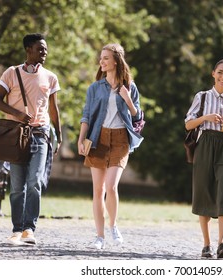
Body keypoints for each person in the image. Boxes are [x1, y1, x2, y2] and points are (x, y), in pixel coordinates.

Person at [0, 33, 62, 245]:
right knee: (17, 186)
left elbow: (53, 108)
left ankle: (29, 230)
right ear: (28, 50)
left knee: (35, 182)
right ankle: (16, 229)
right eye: (40, 48)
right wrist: (19, 114)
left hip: (40, 134)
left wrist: (57, 136)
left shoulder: (50, 77)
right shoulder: (11, 73)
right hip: (16, 135)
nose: (45, 52)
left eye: (46, 49)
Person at [77, 43, 143, 250]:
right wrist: (81, 139)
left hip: (121, 140)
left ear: (116, 61)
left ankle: (113, 226)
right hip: (98, 138)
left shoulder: (130, 87)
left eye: (106, 58)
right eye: (101, 58)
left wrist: (127, 99)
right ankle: (99, 236)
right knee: (98, 190)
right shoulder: (95, 88)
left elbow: (137, 116)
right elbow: (86, 115)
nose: (101, 61)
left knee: (111, 187)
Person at [185, 59, 223, 259]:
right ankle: (206, 245)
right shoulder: (202, 97)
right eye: (220, 72)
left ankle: (222, 244)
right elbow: (188, 124)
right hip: (205, 145)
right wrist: (206, 118)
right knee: (204, 191)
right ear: (213, 73)